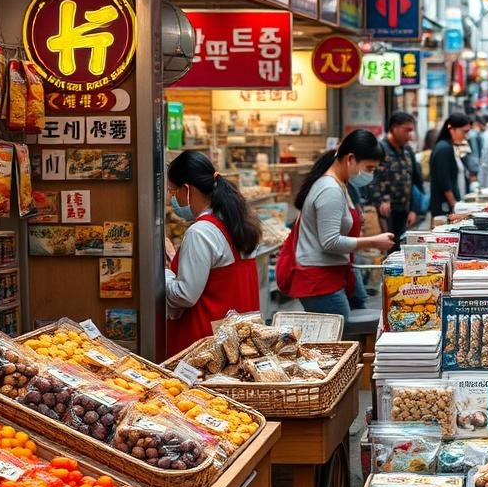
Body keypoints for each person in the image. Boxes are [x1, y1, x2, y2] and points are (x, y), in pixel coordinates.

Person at [283, 130, 396, 320]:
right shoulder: (329, 190)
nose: (370, 175)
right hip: (318, 280)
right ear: (350, 159)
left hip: (335, 271)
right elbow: (330, 241)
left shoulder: (341, 184)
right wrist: (373, 242)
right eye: (369, 168)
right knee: (340, 338)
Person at [164, 151, 262, 353]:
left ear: (187, 189)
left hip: (205, 345)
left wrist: (164, 273)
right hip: (238, 342)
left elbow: (185, 295)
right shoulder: (236, 220)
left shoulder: (200, 231)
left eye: (174, 191)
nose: (173, 198)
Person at [372, 111, 424, 246]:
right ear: (394, 128)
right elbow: (372, 178)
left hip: (404, 209)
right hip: (385, 211)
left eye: (411, 131)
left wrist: (414, 209)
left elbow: (414, 181)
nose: (409, 135)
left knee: (402, 246)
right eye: (407, 130)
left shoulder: (407, 151)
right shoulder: (379, 149)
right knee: (387, 247)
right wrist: (380, 201)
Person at [429, 113, 473, 218]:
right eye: (464, 131)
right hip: (445, 206)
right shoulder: (444, 148)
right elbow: (444, 180)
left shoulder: (453, 146)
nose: (466, 135)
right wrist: (454, 205)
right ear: (452, 129)